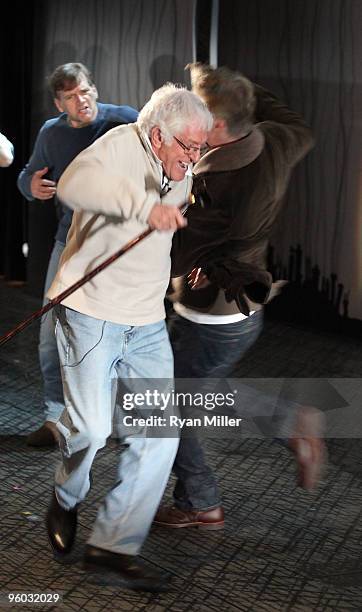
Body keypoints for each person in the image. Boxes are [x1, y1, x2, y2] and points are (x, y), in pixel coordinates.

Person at [45, 83, 213, 591]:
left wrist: (189, 268)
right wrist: (142, 207)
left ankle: (112, 545)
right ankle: (66, 498)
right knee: (92, 431)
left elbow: (160, 238)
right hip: (90, 312)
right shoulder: (119, 144)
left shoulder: (180, 167)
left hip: (145, 320)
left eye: (202, 147)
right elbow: (74, 187)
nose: (195, 156)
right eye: (189, 146)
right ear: (158, 135)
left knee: (159, 433)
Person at [154, 63, 325, 531]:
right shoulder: (276, 140)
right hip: (236, 315)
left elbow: (172, 253)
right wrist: (234, 86)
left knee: (171, 406)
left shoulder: (216, 184)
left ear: (219, 126)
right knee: (196, 390)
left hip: (212, 313)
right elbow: (294, 121)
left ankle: (199, 503)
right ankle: (290, 421)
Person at [17, 63, 138, 447]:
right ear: (59, 103)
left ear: (94, 90)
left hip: (118, 249)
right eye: (70, 96)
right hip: (68, 245)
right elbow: (28, 175)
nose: (80, 100)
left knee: (117, 337)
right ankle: (55, 417)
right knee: (51, 336)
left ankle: (118, 420)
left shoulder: (125, 122)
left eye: (84, 91)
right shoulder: (52, 134)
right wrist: (30, 185)